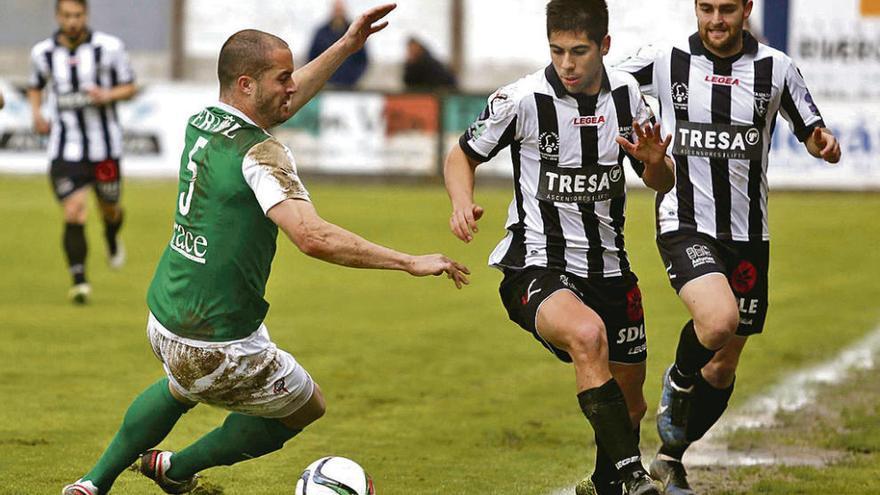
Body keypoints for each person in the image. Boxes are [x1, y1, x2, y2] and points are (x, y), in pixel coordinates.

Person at [61, 5, 471, 495]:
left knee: (183, 382)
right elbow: (311, 237)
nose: (292, 86)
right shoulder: (263, 153)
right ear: (246, 85)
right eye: (283, 78)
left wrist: (344, 46)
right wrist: (408, 261)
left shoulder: (204, 120)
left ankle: (92, 483)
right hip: (219, 339)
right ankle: (176, 467)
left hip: (165, 314)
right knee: (305, 405)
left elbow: (282, 102)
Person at [444, 1, 675, 494]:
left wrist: (656, 163)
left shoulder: (628, 96)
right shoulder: (520, 100)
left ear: (604, 47)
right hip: (534, 263)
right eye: (557, 51)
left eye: (579, 51)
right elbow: (462, 154)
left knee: (631, 406)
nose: (567, 64)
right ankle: (634, 475)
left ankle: (604, 484)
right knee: (588, 337)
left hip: (610, 267)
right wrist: (462, 203)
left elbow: (661, 179)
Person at [616, 1, 841, 493]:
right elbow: (597, 77)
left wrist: (824, 143)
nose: (716, 20)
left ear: (746, 10)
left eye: (726, 10)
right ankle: (678, 377)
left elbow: (812, 129)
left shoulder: (776, 68)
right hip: (685, 220)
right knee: (718, 321)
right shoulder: (664, 57)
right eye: (706, 8)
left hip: (749, 233)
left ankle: (670, 458)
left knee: (722, 365)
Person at [28, 0, 137, 304]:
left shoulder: (110, 48)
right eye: (67, 16)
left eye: (77, 15)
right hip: (65, 148)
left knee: (110, 208)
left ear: (85, 16)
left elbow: (130, 86)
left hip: (105, 148)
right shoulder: (42, 53)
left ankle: (112, 234)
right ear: (57, 16)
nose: (72, 21)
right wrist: (36, 113)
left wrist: (107, 95)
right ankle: (79, 281)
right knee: (74, 210)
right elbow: (35, 85)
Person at [307, 0, 368, 88]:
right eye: (336, 10)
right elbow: (312, 58)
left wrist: (354, 78)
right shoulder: (321, 33)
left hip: (349, 85)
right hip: (325, 86)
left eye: (340, 10)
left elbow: (363, 60)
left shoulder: (355, 32)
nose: (338, 13)